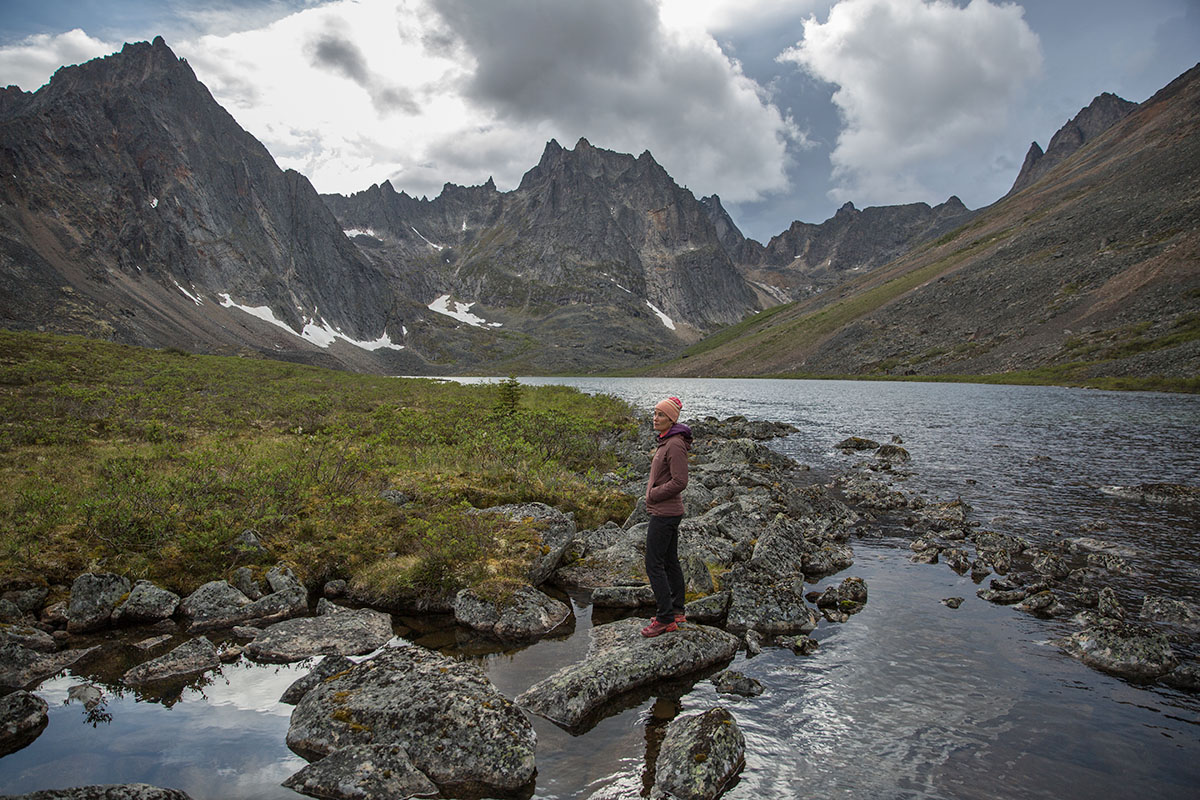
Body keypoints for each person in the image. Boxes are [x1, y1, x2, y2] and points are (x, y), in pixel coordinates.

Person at [641, 395, 692, 637]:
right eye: (654, 413)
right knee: (670, 561)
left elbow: (681, 481)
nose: (655, 418)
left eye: (660, 414)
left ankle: (665, 619)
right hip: (668, 511)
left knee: (654, 564)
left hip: (665, 513)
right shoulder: (668, 441)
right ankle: (676, 610)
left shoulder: (674, 444)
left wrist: (652, 495)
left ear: (671, 419)